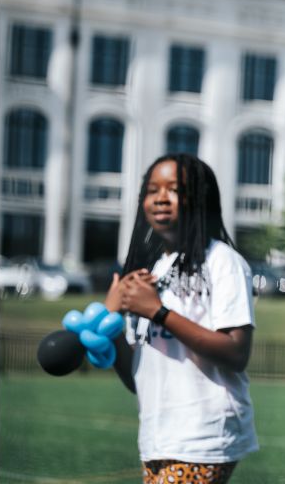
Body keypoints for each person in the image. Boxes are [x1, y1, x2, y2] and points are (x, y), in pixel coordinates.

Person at [104, 154, 258, 484]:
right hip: (158, 439)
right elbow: (137, 379)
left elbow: (236, 353)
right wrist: (113, 324)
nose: (160, 197)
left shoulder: (222, 262)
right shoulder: (153, 270)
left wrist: (158, 311)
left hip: (203, 436)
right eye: (152, 189)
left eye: (174, 189)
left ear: (199, 199)